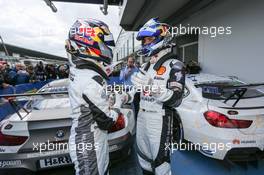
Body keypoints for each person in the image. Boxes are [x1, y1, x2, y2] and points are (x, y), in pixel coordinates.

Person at [126, 18, 186, 175]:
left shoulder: (175, 65)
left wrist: (152, 88)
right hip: (142, 116)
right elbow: (136, 90)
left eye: (149, 39)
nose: (145, 43)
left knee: (161, 164)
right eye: (144, 40)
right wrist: (125, 97)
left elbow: (176, 99)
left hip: (160, 119)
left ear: (163, 38)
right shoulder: (147, 65)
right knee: (144, 159)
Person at [66, 19, 124, 175]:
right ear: (88, 41)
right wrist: (118, 103)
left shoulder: (79, 68)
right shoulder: (90, 79)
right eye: (103, 41)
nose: (107, 47)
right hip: (89, 140)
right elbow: (107, 121)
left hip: (89, 136)